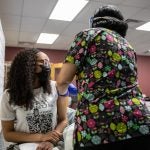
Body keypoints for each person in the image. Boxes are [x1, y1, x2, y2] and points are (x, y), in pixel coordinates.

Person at [56, 5, 150, 150]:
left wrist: (62, 94)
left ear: (93, 21)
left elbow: (62, 80)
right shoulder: (128, 46)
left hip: (100, 127)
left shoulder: (88, 35)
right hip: (139, 121)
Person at [0, 48, 68, 150]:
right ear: (28, 65)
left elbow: (63, 120)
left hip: (51, 145)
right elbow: (8, 134)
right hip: (23, 146)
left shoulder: (55, 87)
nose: (47, 65)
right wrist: (41, 137)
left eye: (48, 62)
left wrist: (50, 141)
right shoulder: (9, 95)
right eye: (42, 61)